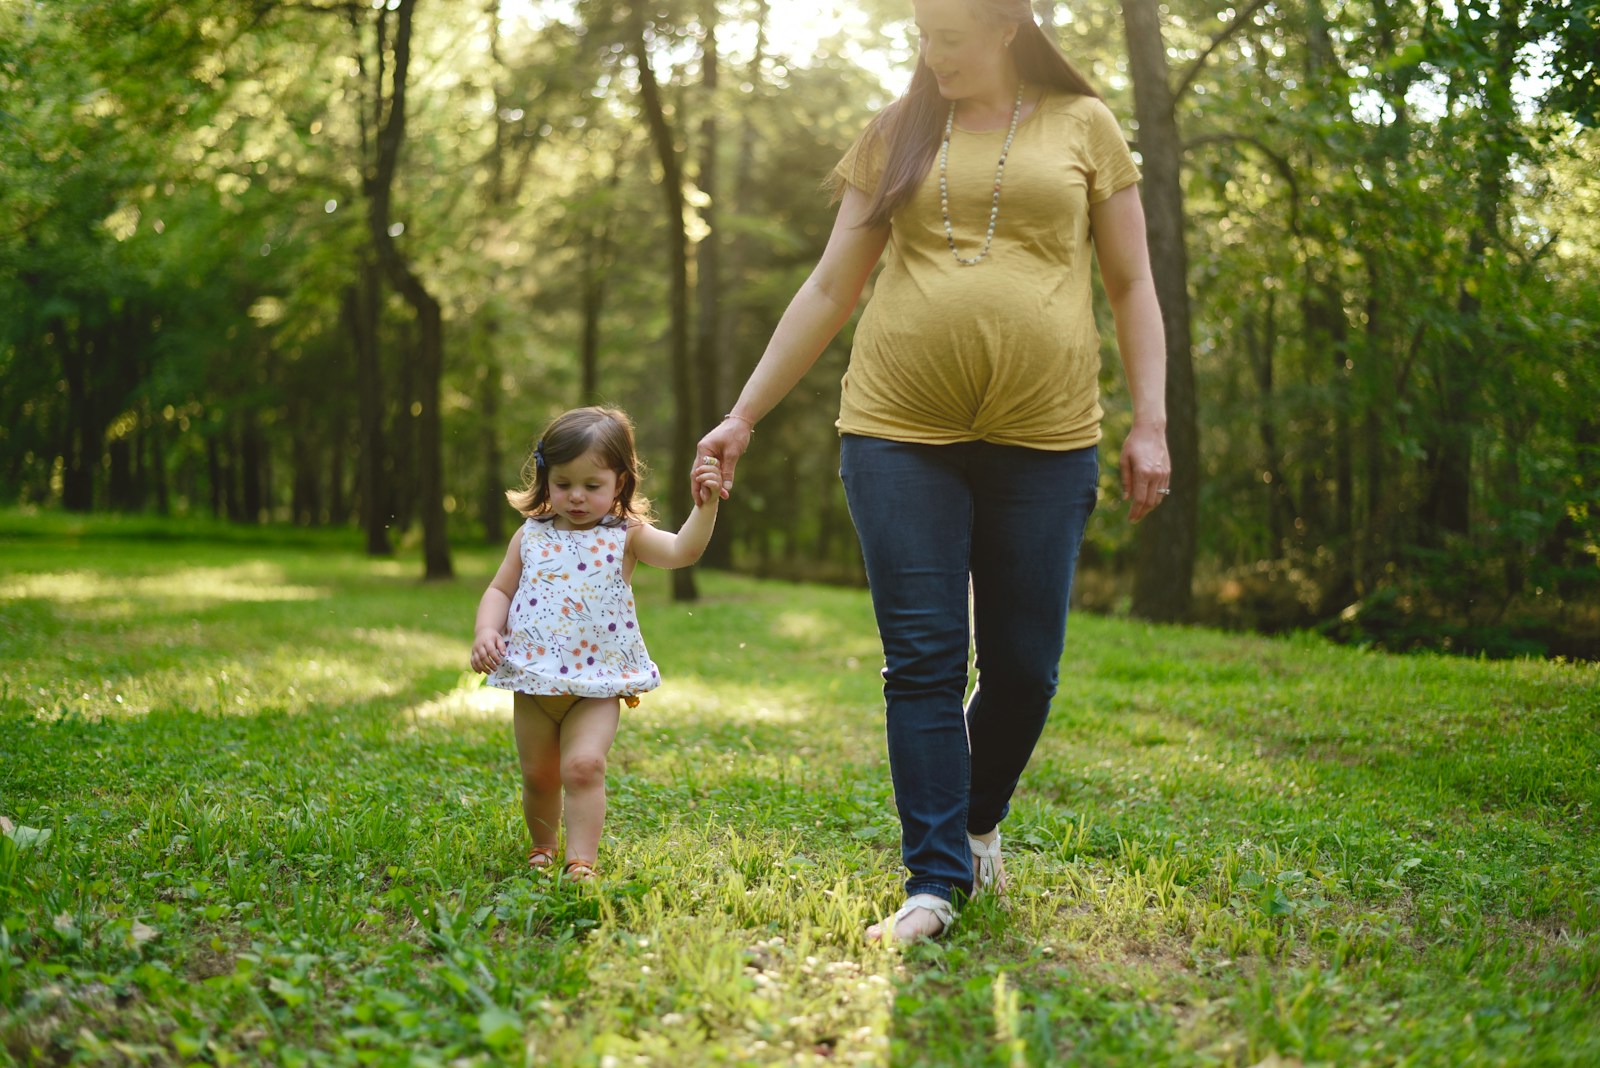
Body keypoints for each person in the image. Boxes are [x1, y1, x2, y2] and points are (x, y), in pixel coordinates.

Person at [694, 0, 1171, 940]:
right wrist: (743, 414)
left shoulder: (1084, 126)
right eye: (923, 35)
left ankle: (977, 819)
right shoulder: (896, 134)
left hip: (1047, 437)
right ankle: (934, 882)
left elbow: (1131, 282)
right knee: (923, 660)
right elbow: (834, 285)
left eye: (949, 36)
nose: (932, 54)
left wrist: (1150, 421)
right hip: (895, 431)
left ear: (1006, 27)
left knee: (1026, 670)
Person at [471, 406, 724, 881]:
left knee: (584, 767)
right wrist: (488, 630)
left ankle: (580, 860)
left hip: (598, 683)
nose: (577, 497)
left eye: (593, 486)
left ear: (620, 484)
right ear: (545, 479)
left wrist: (704, 506)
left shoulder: (626, 536)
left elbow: (682, 551)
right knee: (539, 775)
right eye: (564, 483)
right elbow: (500, 590)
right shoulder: (531, 535)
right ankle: (543, 846)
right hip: (534, 680)